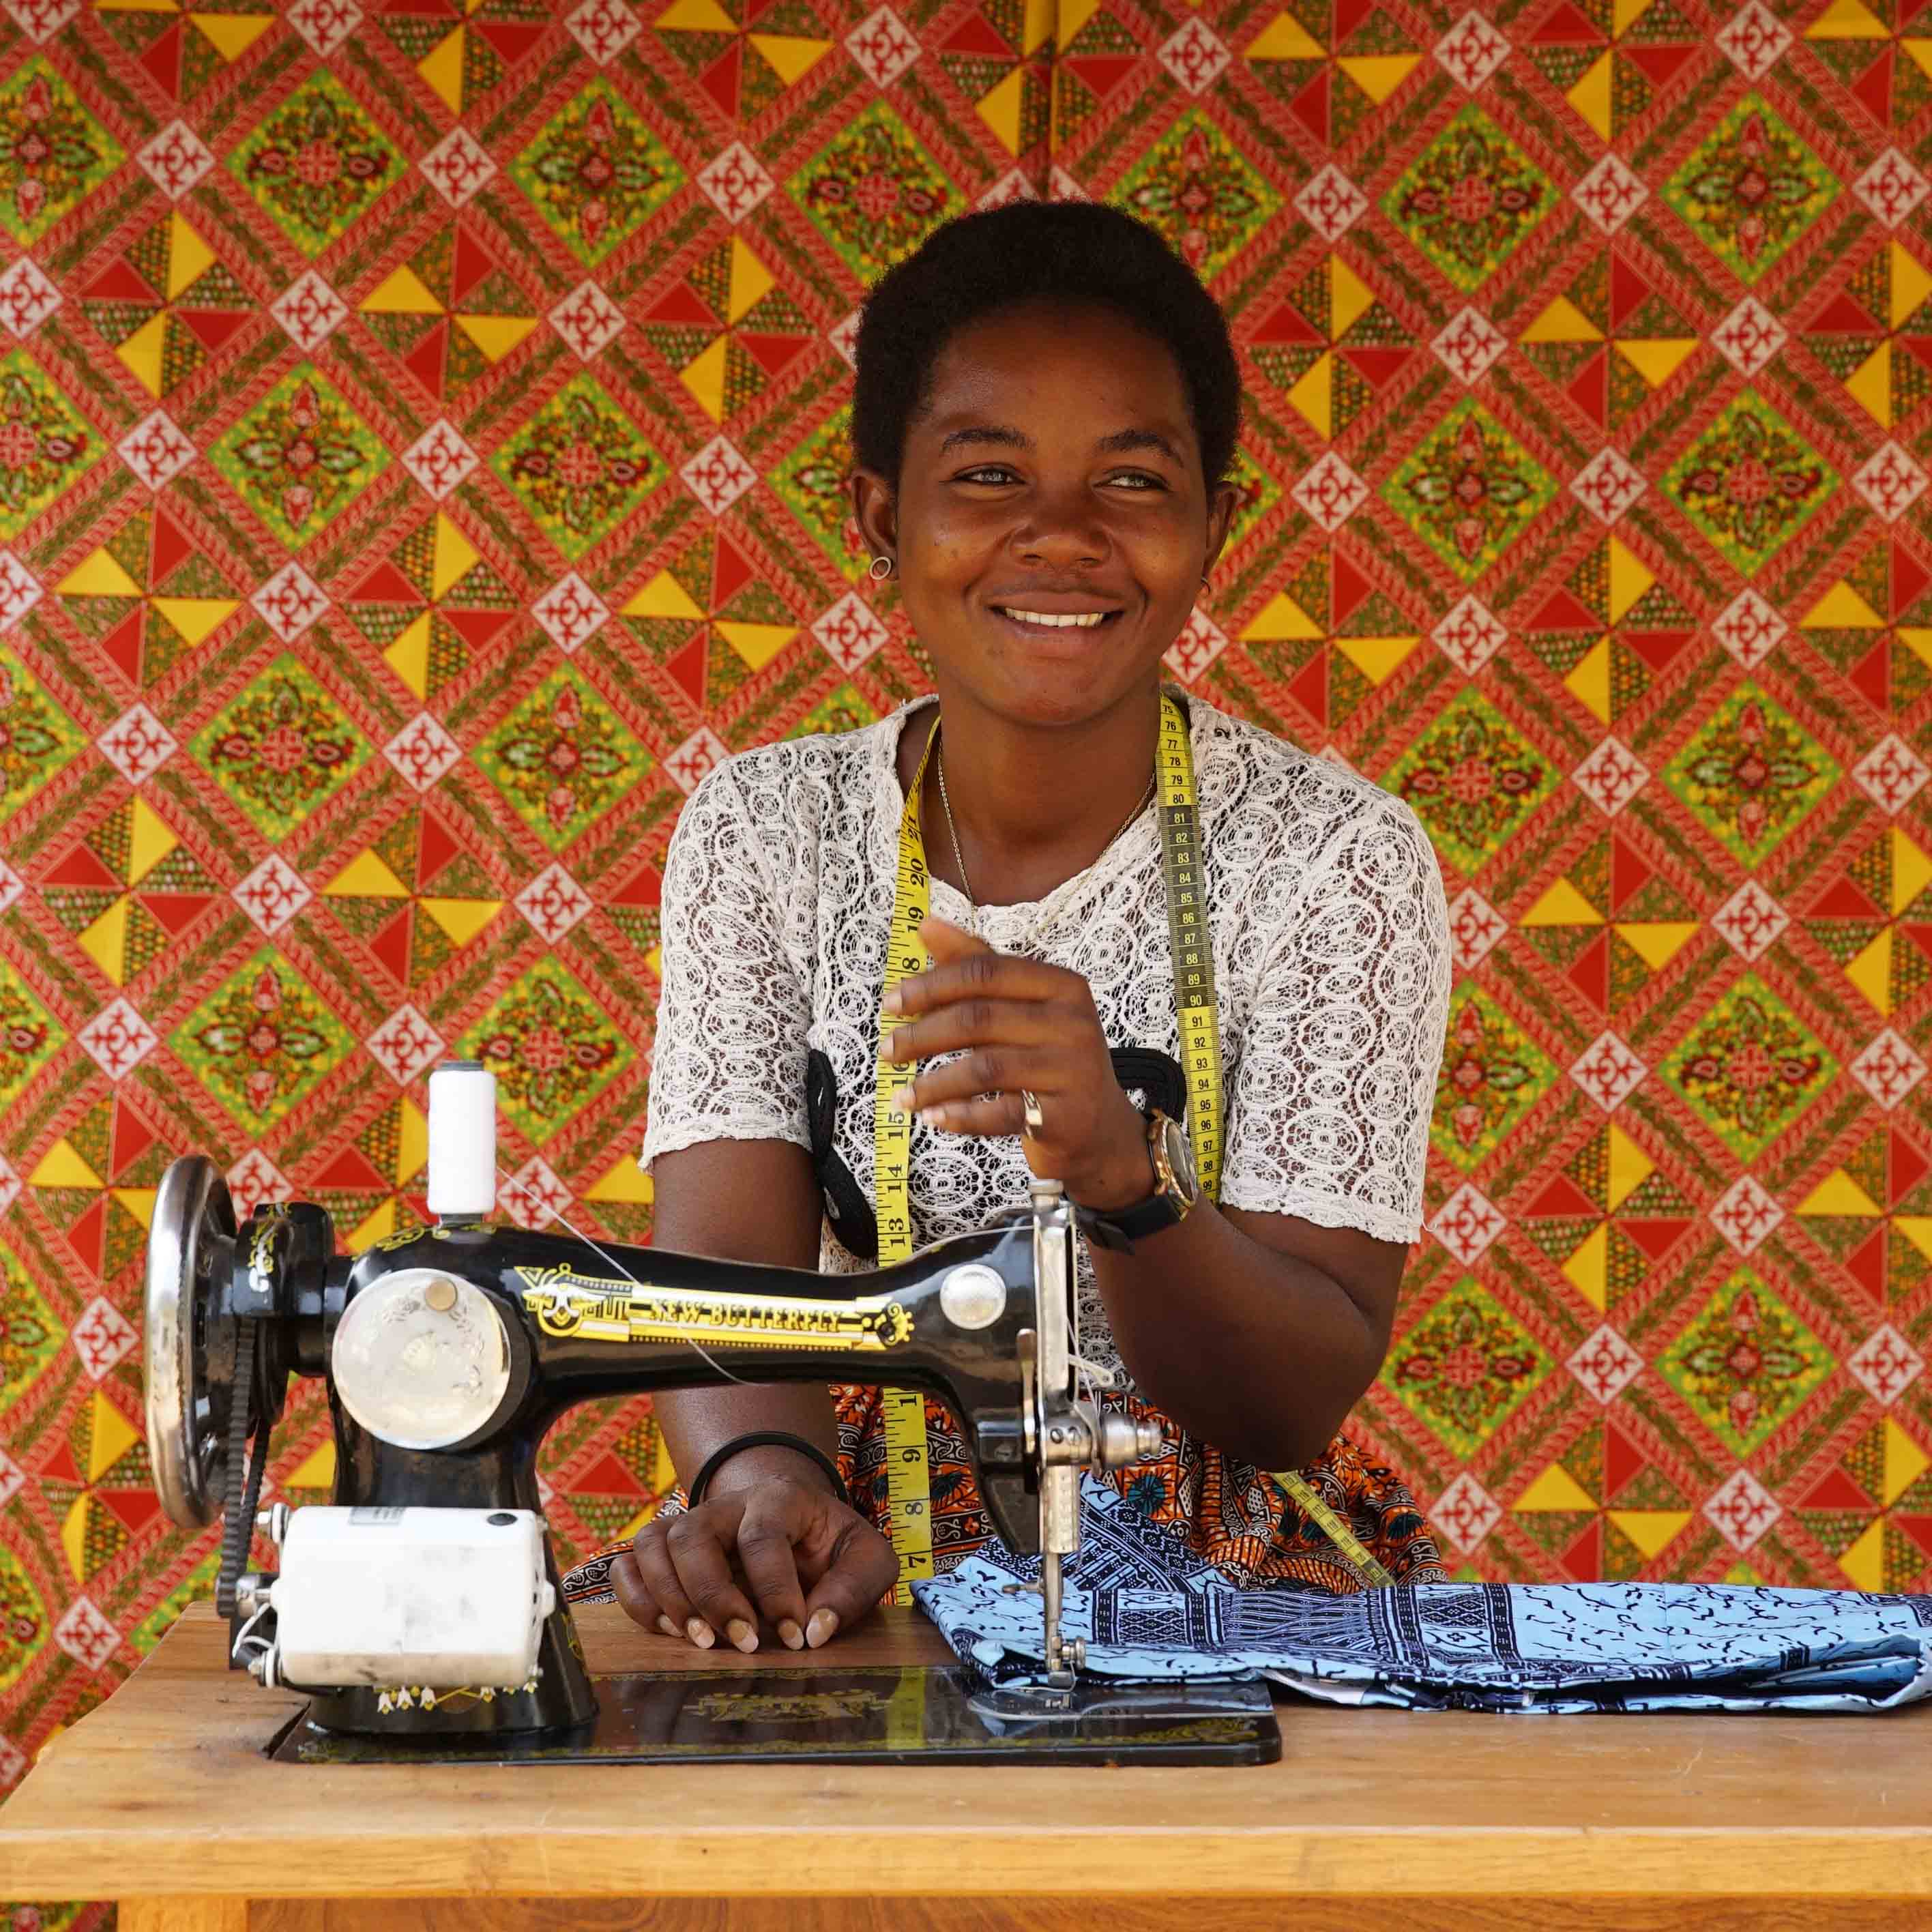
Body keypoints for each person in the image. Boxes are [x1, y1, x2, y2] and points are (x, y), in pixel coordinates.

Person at [561, 199, 1454, 1654]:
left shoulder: (1334, 859)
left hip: (1228, 1584)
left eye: (1133, 480)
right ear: (878, 518)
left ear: (1216, 527)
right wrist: (762, 1484)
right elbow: (723, 1277)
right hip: (841, 1554)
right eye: (988, 473)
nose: (1060, 535)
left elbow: (1291, 1400)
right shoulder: (766, 829)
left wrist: (1124, 1178)